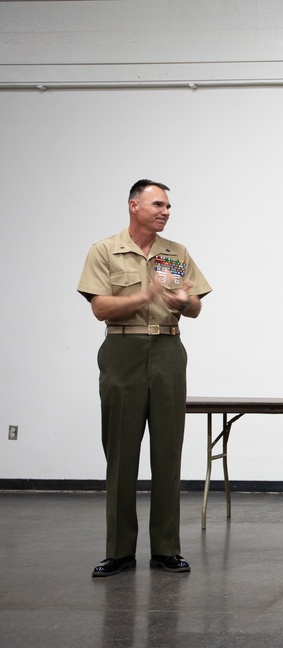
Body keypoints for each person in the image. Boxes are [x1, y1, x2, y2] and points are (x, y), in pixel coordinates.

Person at [77, 179, 211, 577]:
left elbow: (197, 307)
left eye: (168, 207)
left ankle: (166, 549)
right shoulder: (105, 250)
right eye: (157, 204)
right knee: (121, 455)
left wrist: (184, 301)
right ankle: (119, 551)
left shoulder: (177, 253)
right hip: (123, 352)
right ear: (134, 206)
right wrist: (145, 296)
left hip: (168, 351)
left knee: (168, 453)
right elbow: (100, 308)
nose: (165, 212)